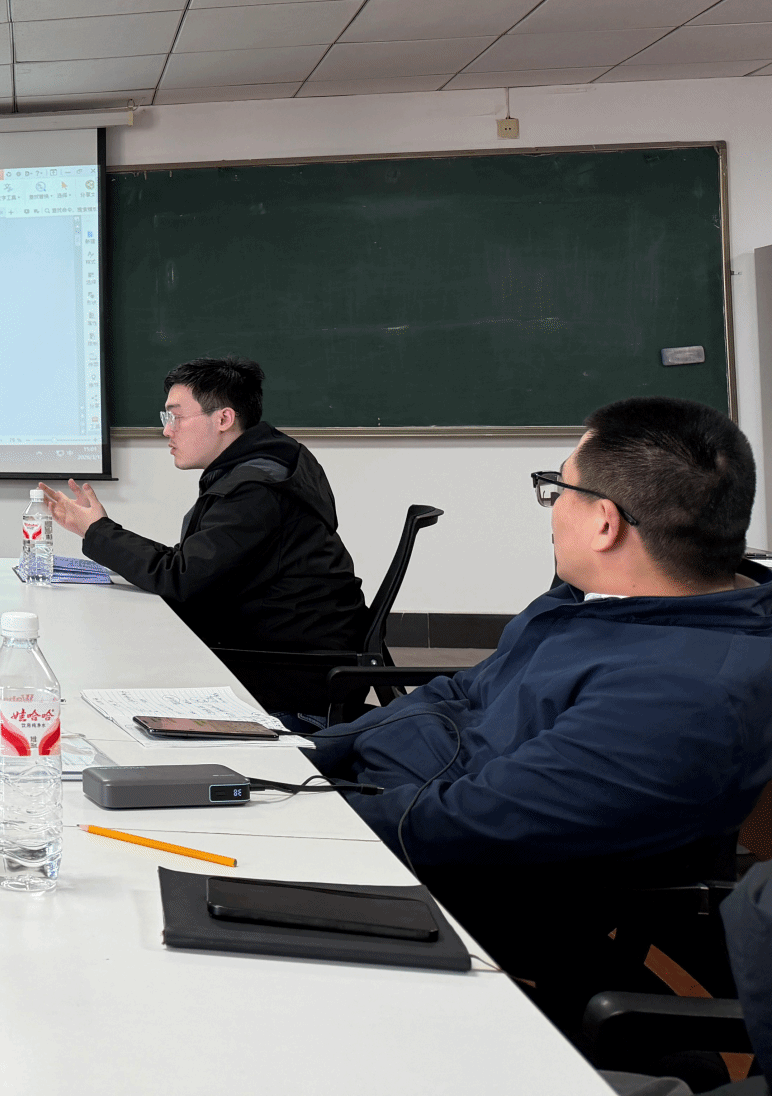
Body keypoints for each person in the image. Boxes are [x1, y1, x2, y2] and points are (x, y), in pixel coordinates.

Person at [309, 396, 772, 1033]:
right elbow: (465, 689)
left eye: (558, 489)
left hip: (455, 887)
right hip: (388, 801)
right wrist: (307, 752)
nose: (552, 507)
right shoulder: (594, 599)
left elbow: (468, 825)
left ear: (605, 523)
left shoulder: (685, 695)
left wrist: (304, 816)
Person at [39, 356, 364, 716]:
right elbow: (191, 565)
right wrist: (98, 531)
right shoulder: (271, 462)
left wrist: (96, 530)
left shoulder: (255, 491)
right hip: (290, 648)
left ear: (223, 419)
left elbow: (181, 578)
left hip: (289, 673)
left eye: (176, 417)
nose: (167, 431)